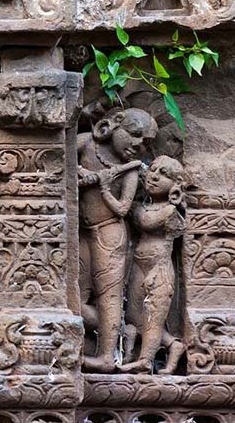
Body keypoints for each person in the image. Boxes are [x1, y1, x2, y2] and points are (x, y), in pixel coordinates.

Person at [78, 107, 157, 373]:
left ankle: (107, 355)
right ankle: (121, 332)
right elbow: (58, 160)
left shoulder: (130, 171)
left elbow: (123, 209)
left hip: (109, 232)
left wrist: (100, 185)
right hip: (80, 232)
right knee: (76, 296)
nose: (138, 145)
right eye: (135, 135)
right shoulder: (85, 144)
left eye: (146, 142)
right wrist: (79, 171)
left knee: (109, 296)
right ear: (113, 125)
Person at [121, 155, 185, 374]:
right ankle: (173, 345)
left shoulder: (168, 211)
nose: (155, 177)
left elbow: (147, 223)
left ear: (175, 187)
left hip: (159, 268)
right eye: (153, 170)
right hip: (139, 263)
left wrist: (129, 206)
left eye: (164, 175)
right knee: (133, 315)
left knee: (153, 318)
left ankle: (146, 360)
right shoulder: (144, 205)